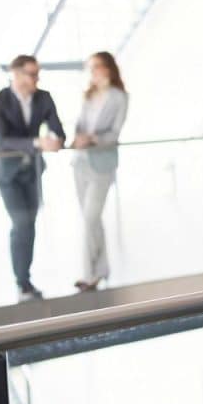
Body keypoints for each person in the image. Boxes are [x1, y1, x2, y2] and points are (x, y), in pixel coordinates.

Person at [0, 55, 66, 301]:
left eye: (37, 74)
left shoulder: (43, 98)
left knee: (29, 223)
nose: (36, 79)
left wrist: (56, 139)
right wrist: (36, 142)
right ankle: (22, 282)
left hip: (32, 171)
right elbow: (4, 139)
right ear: (16, 73)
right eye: (32, 74)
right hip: (7, 172)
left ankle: (25, 279)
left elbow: (58, 129)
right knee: (21, 222)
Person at [71, 52, 128, 292]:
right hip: (80, 162)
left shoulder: (120, 97)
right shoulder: (88, 96)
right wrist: (77, 138)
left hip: (102, 164)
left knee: (90, 219)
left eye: (95, 67)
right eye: (89, 68)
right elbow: (78, 125)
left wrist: (92, 138)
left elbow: (115, 133)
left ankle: (88, 275)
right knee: (92, 220)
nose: (92, 72)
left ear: (108, 68)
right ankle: (102, 270)